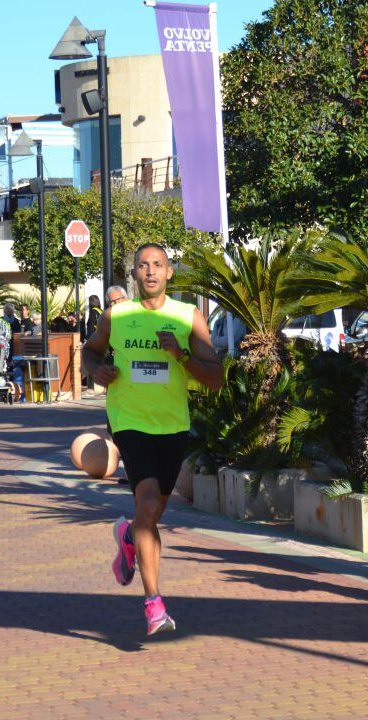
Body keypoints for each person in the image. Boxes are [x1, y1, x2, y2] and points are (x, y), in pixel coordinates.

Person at [83, 243, 223, 636]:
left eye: (158, 265)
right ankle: (153, 604)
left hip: (173, 424)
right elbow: (89, 352)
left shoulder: (188, 316)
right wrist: (98, 371)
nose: (150, 272)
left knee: (152, 514)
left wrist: (180, 355)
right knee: (145, 503)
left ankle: (128, 535)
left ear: (169, 273)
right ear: (135, 274)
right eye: (143, 265)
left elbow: (215, 377)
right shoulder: (117, 315)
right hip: (129, 421)